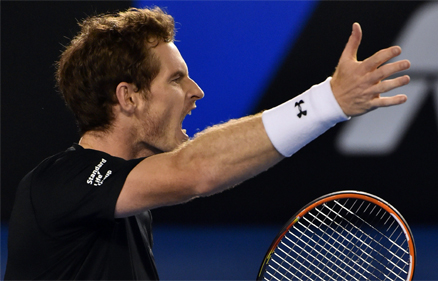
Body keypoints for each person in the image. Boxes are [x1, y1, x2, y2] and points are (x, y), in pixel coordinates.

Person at [5, 6, 411, 280]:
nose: (196, 91)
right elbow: (195, 171)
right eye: (176, 79)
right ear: (129, 98)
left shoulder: (130, 205)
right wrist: (327, 102)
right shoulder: (56, 186)